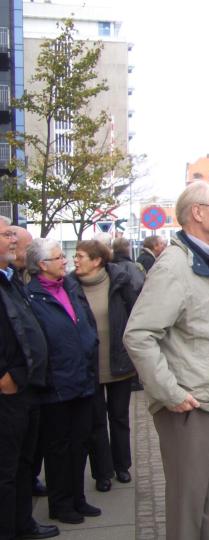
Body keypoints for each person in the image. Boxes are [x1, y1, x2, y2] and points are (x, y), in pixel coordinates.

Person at [124, 181, 209, 539]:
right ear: (198, 212)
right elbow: (139, 335)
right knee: (188, 512)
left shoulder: (208, 261)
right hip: (190, 409)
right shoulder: (175, 266)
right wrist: (171, 393)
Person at [26, 238, 100, 525]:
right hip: (56, 385)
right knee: (58, 448)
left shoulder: (68, 286)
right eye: (59, 258)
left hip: (82, 379)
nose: (65, 261)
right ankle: (61, 503)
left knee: (80, 442)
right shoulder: (31, 296)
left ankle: (78, 498)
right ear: (42, 265)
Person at [0, 218, 58, 540]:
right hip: (9, 392)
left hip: (25, 389)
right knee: (6, 472)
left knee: (23, 466)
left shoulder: (10, 280)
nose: (13, 240)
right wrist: (5, 377)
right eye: (6, 234)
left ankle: (23, 524)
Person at [72, 240, 138, 493]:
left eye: (80, 256)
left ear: (97, 260)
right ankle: (102, 472)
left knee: (119, 418)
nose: (75, 260)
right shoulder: (70, 286)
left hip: (119, 363)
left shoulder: (119, 283)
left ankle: (123, 466)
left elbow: (136, 316)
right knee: (95, 421)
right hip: (89, 367)